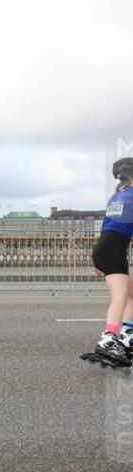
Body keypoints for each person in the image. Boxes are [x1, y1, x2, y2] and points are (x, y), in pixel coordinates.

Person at [88, 157, 133, 367]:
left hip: (105, 248)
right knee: (120, 298)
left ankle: (126, 335)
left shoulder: (117, 196)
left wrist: (97, 258)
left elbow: (107, 224)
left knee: (131, 294)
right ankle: (108, 339)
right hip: (114, 250)